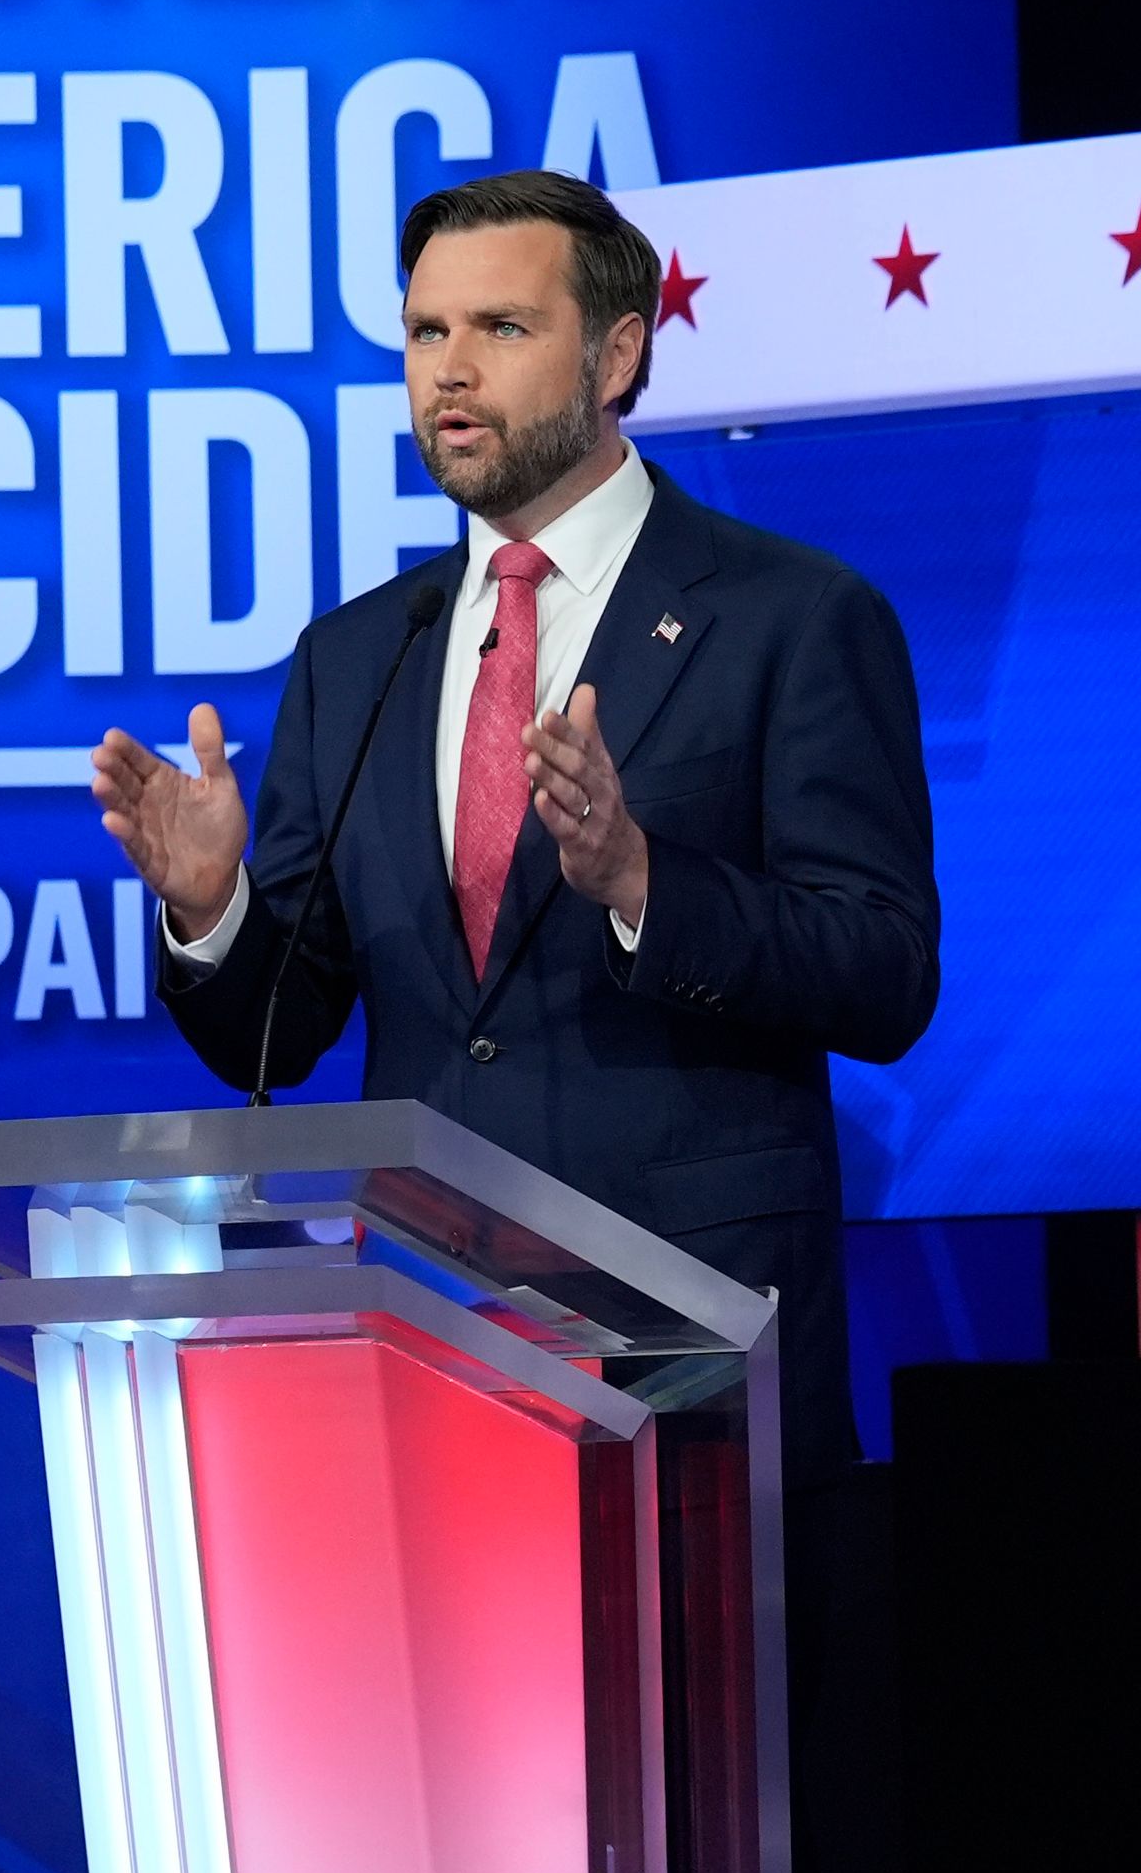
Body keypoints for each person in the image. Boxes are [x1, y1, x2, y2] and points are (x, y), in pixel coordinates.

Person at [90, 168, 938, 1471]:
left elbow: (885, 972)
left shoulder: (794, 618)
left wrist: (647, 880)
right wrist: (214, 909)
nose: (449, 373)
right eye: (427, 334)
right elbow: (289, 1024)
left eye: (501, 329)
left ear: (616, 355)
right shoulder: (358, 653)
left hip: (693, 1349)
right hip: (425, 1342)